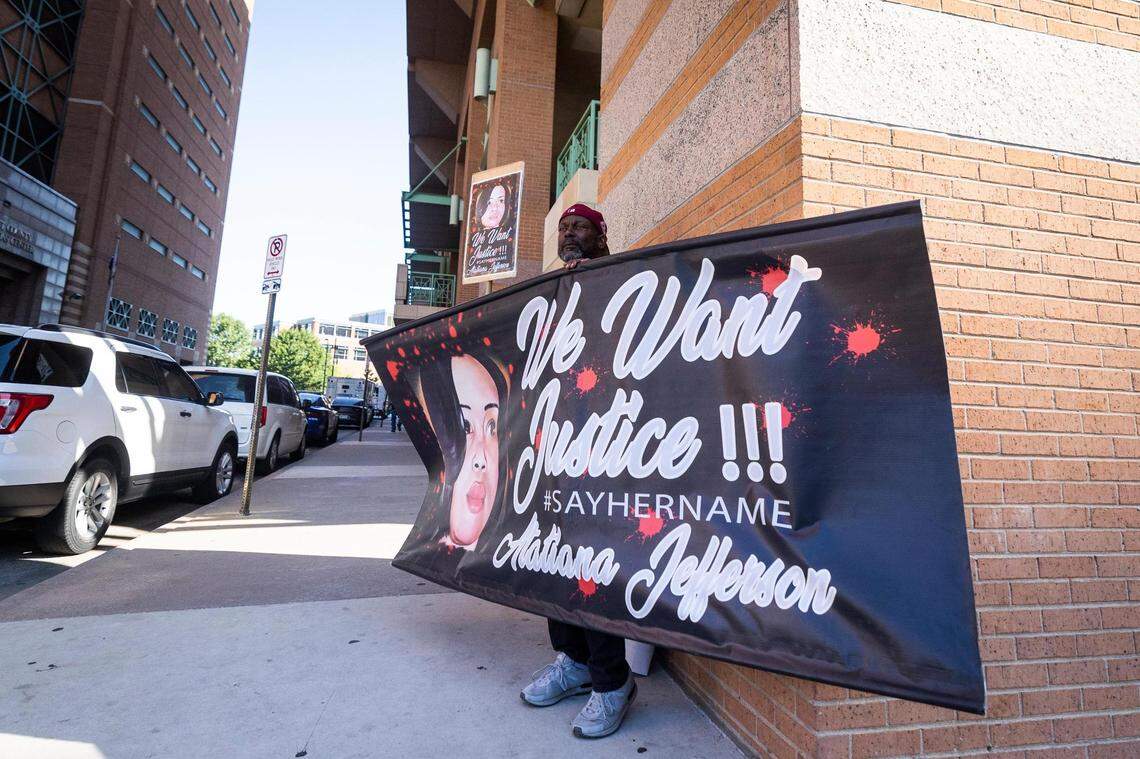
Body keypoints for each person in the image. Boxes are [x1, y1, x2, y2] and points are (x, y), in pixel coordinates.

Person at [520, 203, 636, 740]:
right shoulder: (551, 290)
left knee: (593, 563)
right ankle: (573, 662)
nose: (569, 234)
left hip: (604, 448)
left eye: (580, 228)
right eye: (564, 228)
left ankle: (613, 684)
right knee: (554, 559)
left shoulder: (617, 281)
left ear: (600, 237)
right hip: (554, 445)